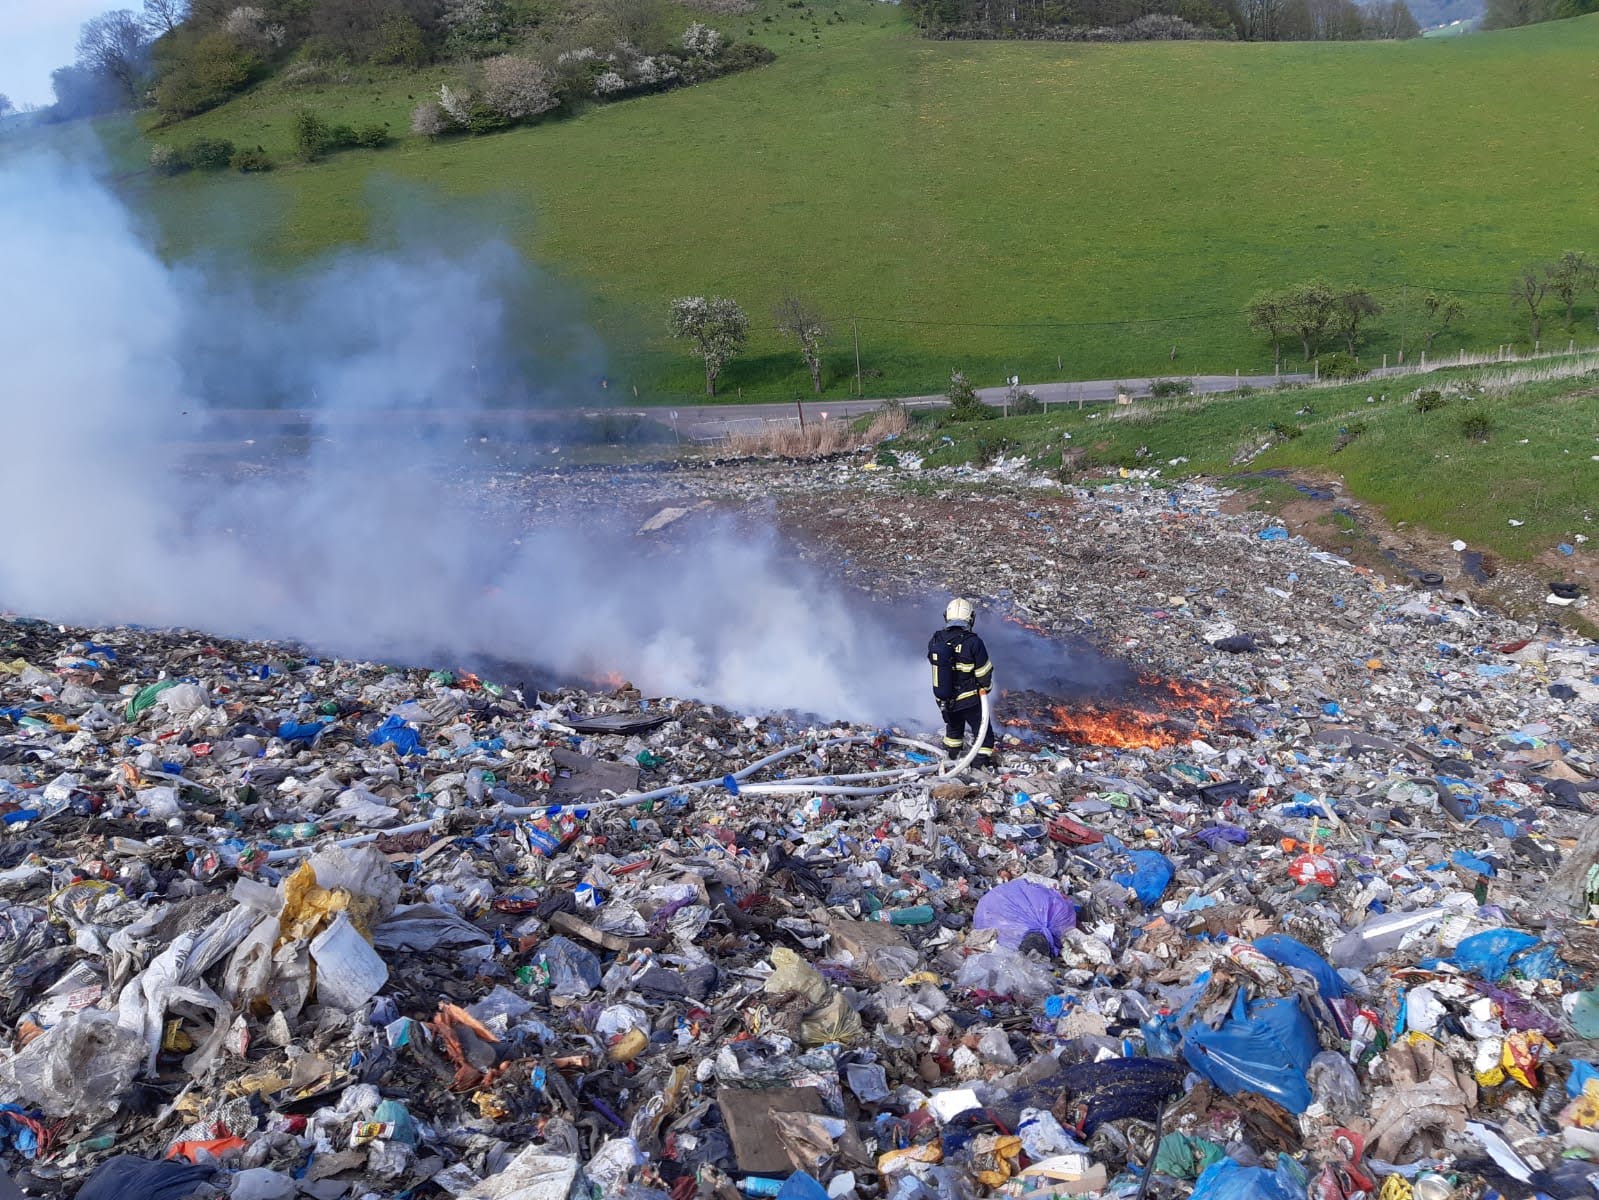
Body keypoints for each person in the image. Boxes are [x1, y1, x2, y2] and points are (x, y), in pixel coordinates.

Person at [927, 597, 997, 769]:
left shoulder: (937, 639)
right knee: (983, 733)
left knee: (953, 729)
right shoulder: (973, 642)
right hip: (969, 699)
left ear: (947, 617)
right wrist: (985, 689)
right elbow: (983, 671)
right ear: (970, 618)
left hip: (945, 698)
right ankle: (979, 765)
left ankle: (951, 758)